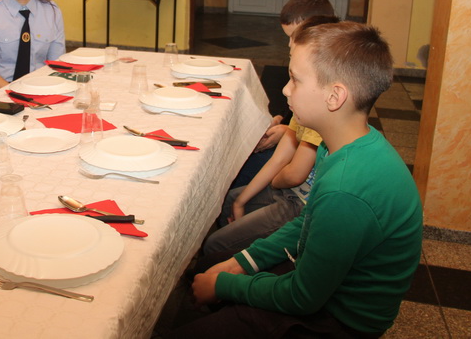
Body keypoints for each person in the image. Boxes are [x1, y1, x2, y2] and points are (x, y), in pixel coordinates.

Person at [181, 22, 423, 338]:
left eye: (295, 79)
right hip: (323, 289)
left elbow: (303, 297)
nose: (285, 89)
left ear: (335, 96)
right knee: (211, 264)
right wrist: (242, 262)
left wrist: (226, 284)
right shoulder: (340, 145)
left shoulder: (345, 189)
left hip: (340, 320)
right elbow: (307, 222)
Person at [200, 16, 339, 260]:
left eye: (295, 79)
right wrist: (242, 201)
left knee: (215, 244)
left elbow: (293, 174)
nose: (285, 89)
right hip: (288, 190)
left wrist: (272, 183)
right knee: (231, 200)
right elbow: (281, 158)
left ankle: (235, 266)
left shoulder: (315, 117)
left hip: (298, 202)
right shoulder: (302, 110)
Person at [231, 0, 335, 188]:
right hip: (296, 142)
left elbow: (315, 142)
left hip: (304, 165)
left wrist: (288, 133)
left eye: (295, 36)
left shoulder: (326, 81)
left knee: (238, 167)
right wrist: (282, 121)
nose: (289, 44)